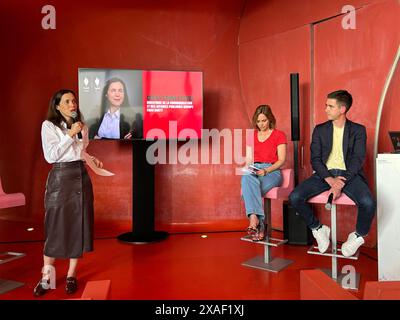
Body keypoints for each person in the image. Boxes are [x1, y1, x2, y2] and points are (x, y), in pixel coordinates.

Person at [289, 90, 376, 257]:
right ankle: (319, 229)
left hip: (349, 175)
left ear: (342, 109)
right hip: (324, 174)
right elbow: (315, 159)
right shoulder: (320, 129)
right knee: (295, 197)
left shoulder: (358, 130)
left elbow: (358, 159)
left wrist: (341, 181)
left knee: (368, 202)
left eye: (330, 106)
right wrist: (330, 179)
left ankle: (358, 236)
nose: (326, 109)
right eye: (326, 105)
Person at [34, 89, 104, 297]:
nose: (72, 104)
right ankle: (47, 277)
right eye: (67, 101)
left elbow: (79, 152)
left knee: (78, 226)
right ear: (57, 106)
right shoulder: (49, 126)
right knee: (55, 227)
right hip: (60, 178)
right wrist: (70, 134)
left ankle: (71, 274)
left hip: (81, 176)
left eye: (74, 100)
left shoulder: (83, 126)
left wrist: (90, 159)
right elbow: (51, 155)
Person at [241, 105, 287, 241]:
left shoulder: (279, 135)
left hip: (272, 171)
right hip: (255, 168)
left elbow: (281, 160)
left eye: (264, 121)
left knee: (248, 188)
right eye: (258, 121)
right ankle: (256, 220)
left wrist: (266, 170)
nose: (261, 124)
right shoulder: (252, 136)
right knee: (246, 177)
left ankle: (257, 221)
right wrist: (247, 168)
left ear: (270, 119)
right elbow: (249, 160)